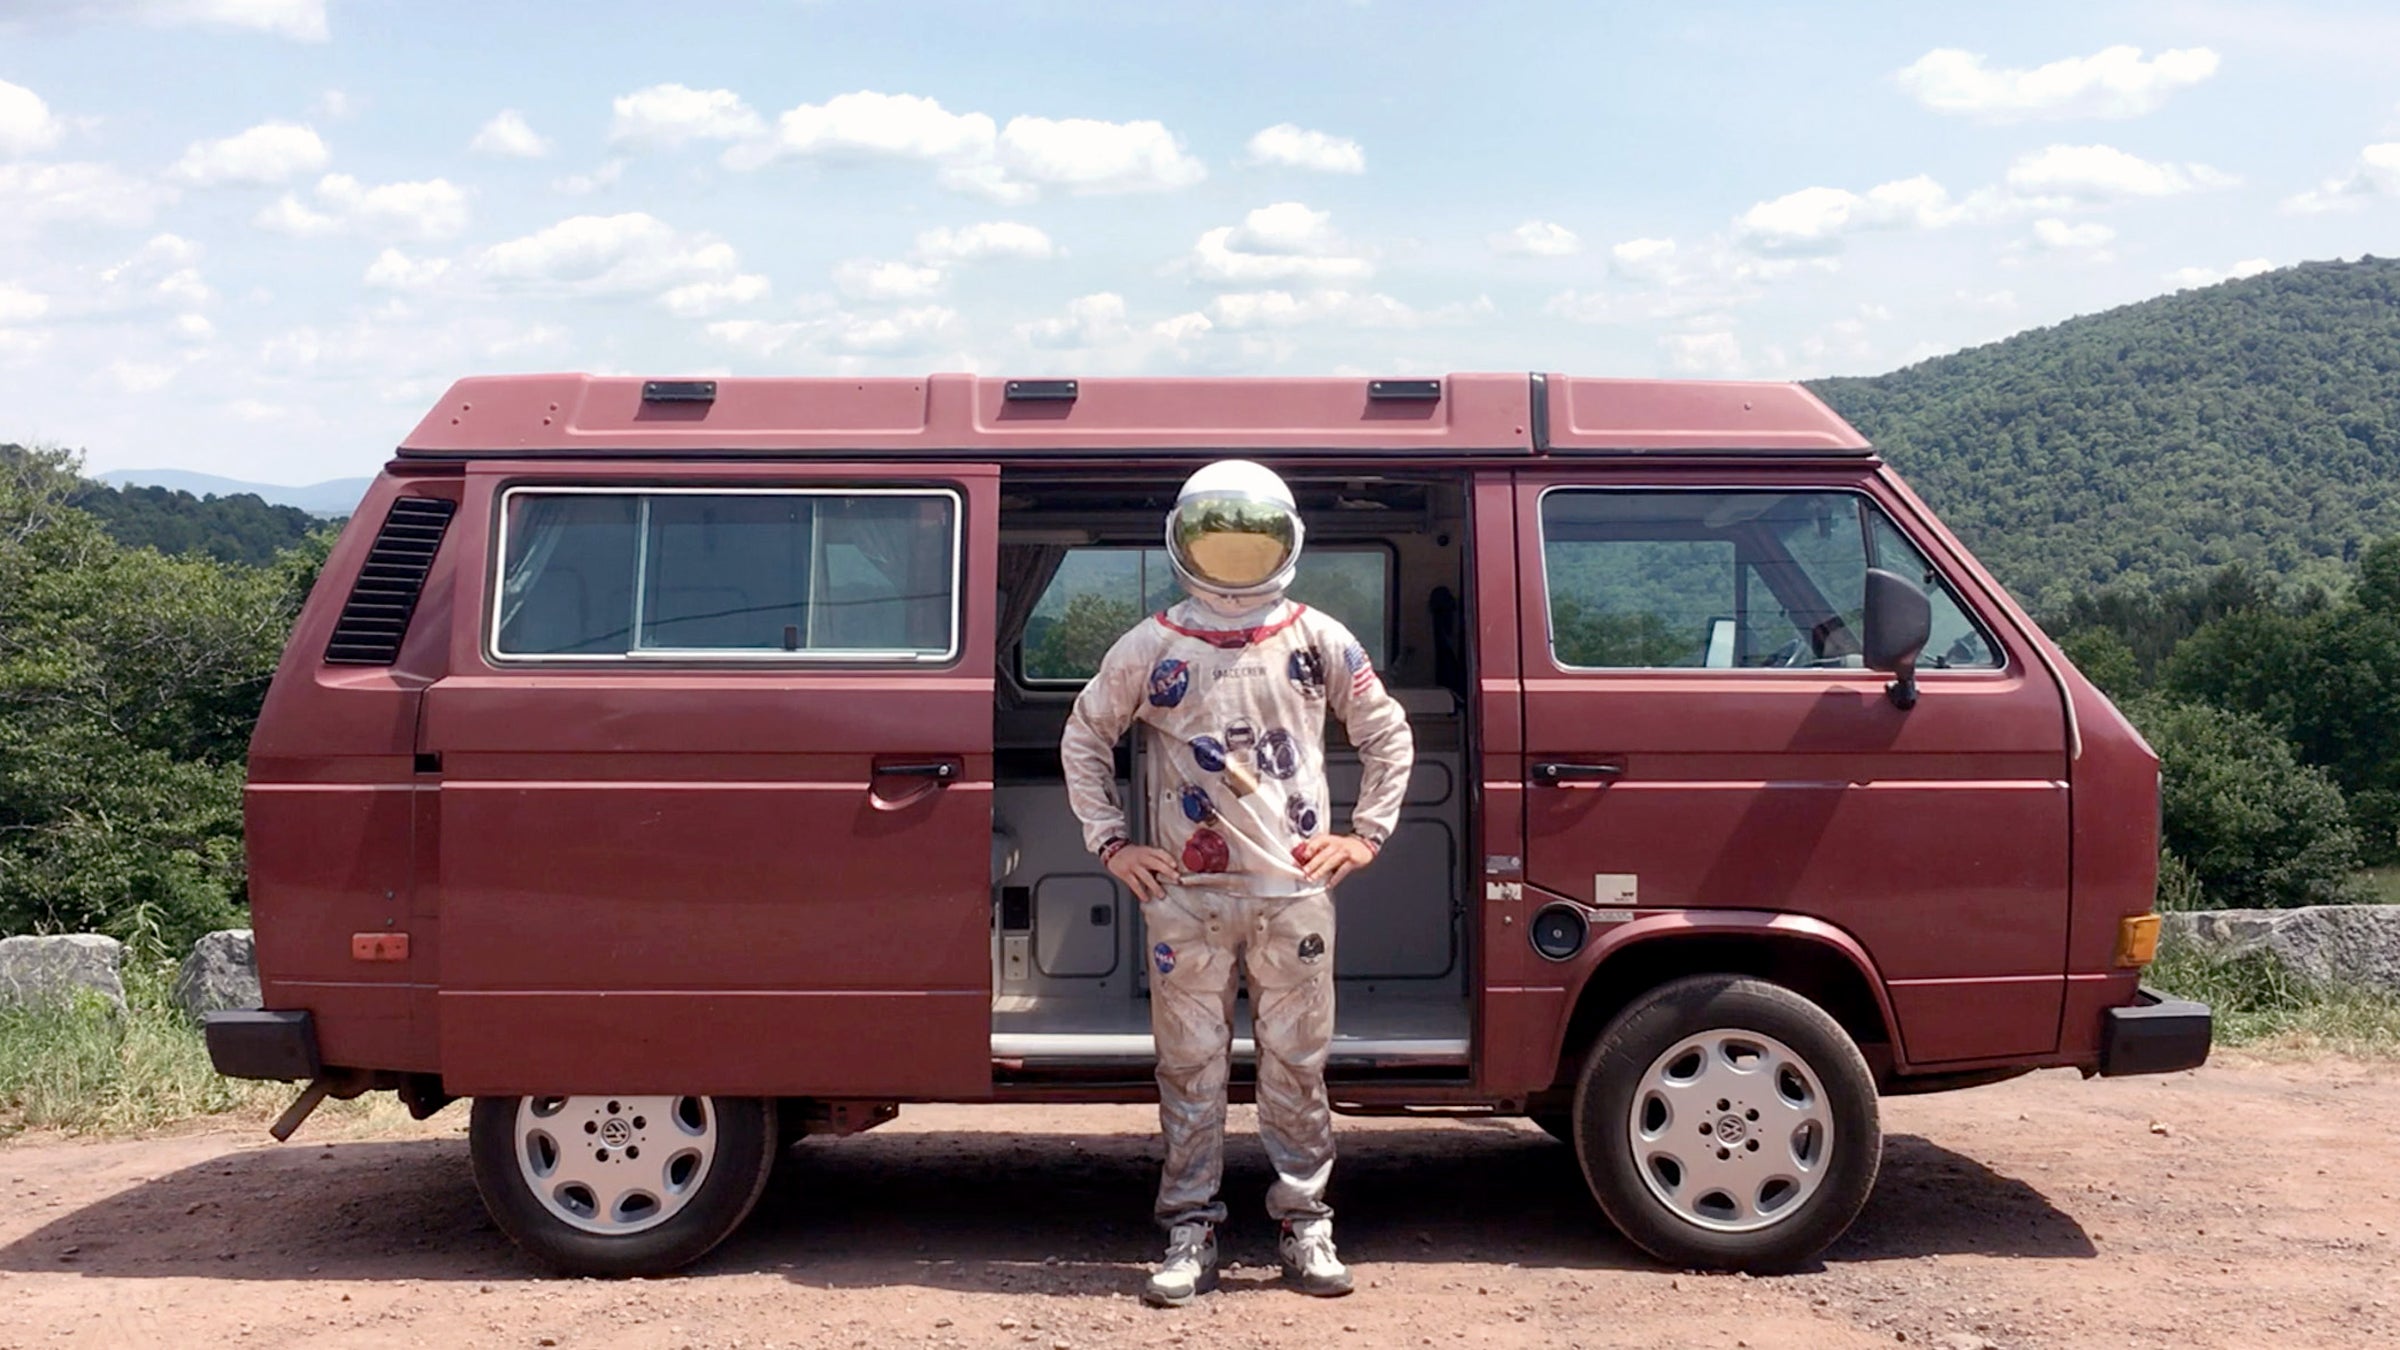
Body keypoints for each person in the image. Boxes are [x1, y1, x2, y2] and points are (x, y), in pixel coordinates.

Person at [1060, 460, 1415, 1307]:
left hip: (1290, 892)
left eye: (1249, 540)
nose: (1232, 559)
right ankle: (1191, 1227)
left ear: (1284, 544)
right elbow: (1084, 737)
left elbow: (1386, 733)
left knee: (1298, 1065)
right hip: (1188, 895)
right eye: (1216, 540)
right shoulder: (1152, 645)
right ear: (1183, 542)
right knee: (1189, 1068)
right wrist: (1114, 845)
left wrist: (1363, 838)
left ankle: (1304, 1221)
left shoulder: (1317, 637)